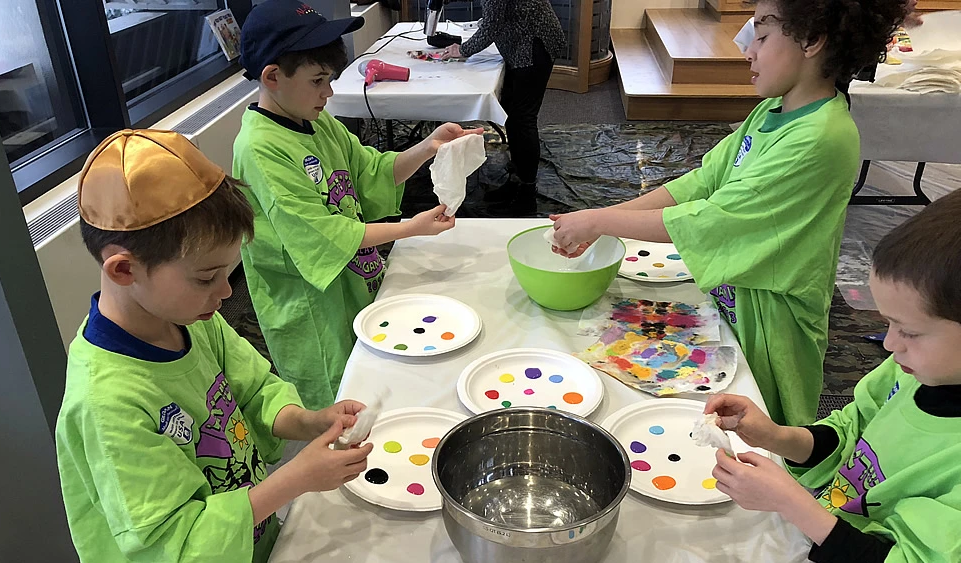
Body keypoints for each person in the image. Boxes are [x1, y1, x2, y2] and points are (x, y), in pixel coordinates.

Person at [549, 0, 909, 426]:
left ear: (812, 41)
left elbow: (714, 219)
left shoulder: (821, 138)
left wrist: (598, 221)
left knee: (760, 430)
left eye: (761, 35)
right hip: (737, 294)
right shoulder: (773, 111)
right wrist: (606, 217)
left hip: (773, 316)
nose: (748, 51)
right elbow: (701, 183)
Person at [55, 130, 374, 563]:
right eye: (206, 277)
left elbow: (256, 389)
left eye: (228, 272)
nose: (226, 291)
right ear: (125, 270)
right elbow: (177, 543)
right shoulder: (107, 403)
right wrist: (294, 479)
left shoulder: (190, 319)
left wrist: (309, 421)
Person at [232, 0, 482, 410]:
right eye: (317, 81)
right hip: (309, 303)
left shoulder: (317, 121)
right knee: (336, 394)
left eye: (329, 79)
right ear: (272, 76)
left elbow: (371, 171)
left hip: (349, 276)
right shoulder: (261, 148)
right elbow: (321, 235)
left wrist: (428, 146)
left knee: (371, 374)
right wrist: (408, 228)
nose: (328, 93)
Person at [704, 188, 961, 563]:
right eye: (887, 323)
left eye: (910, 332)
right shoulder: (911, 370)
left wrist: (794, 506)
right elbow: (850, 430)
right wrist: (777, 436)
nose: (889, 345)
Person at [443, 0, 565, 214]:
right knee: (512, 112)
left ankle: (526, 191)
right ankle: (517, 178)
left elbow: (492, 24)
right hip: (522, 44)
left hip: (532, 47)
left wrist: (462, 50)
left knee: (522, 119)